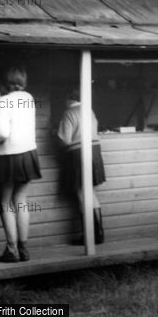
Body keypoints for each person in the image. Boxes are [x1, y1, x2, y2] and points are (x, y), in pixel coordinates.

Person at [0, 66, 41, 262]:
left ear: (5, 81)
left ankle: (11, 250)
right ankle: (23, 248)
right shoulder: (29, 98)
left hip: (9, 155)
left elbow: (3, 133)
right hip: (29, 153)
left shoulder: (3, 102)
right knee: (21, 200)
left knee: (5, 202)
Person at [57, 88, 107, 245]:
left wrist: (55, 131)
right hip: (94, 152)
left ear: (68, 98)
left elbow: (64, 139)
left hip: (79, 154)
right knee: (91, 193)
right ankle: (98, 234)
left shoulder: (69, 113)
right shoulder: (89, 110)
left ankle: (90, 236)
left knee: (81, 194)